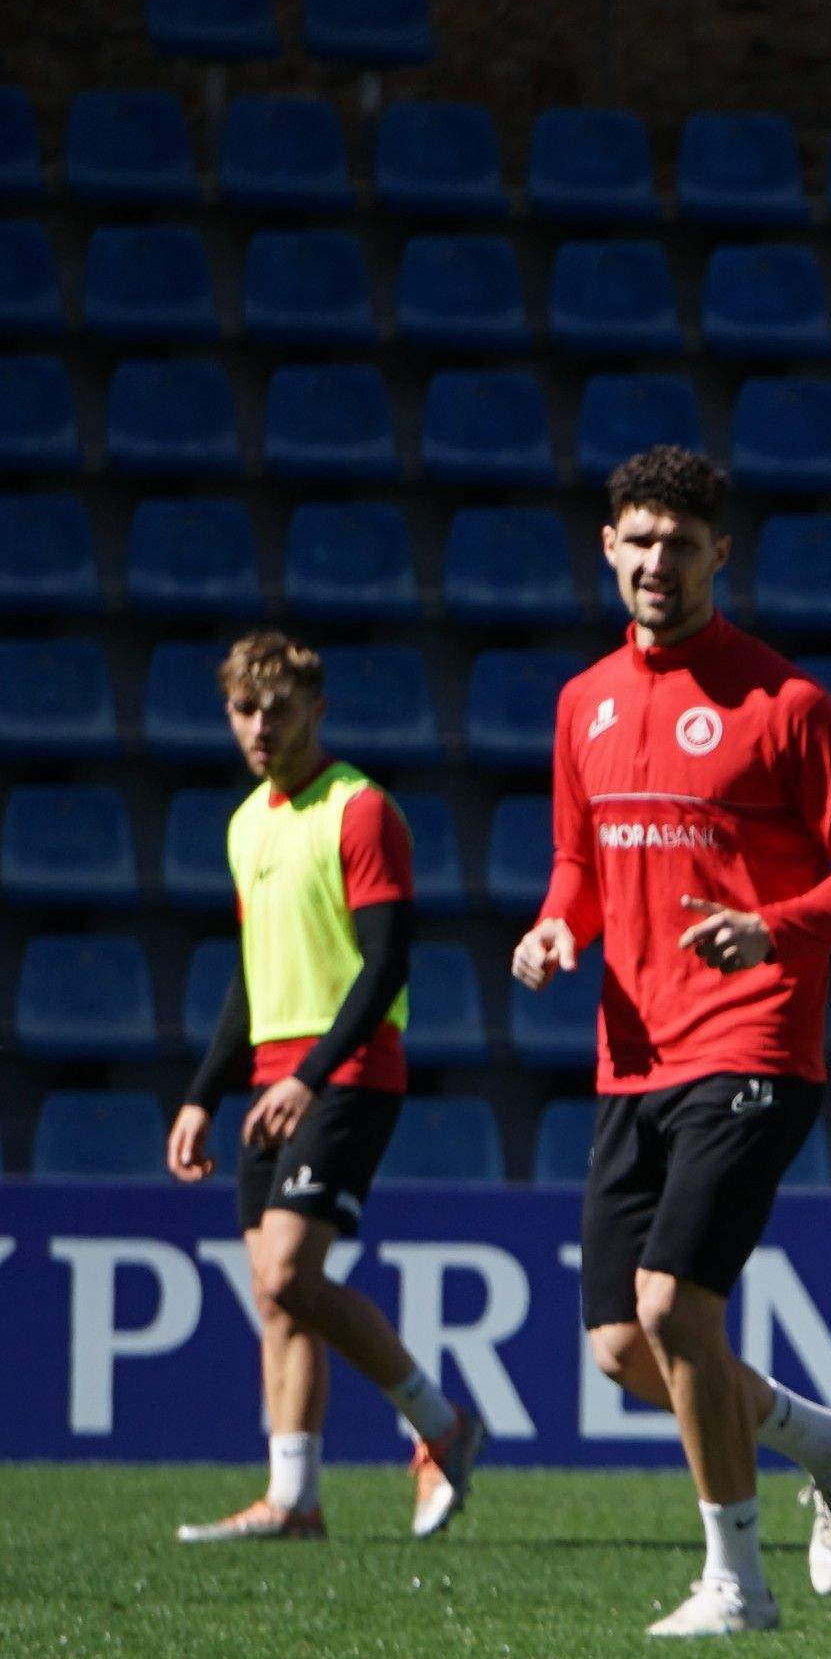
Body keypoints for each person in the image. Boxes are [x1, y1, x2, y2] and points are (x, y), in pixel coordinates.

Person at [510, 446, 831, 1638]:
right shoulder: (582, 702)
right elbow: (580, 862)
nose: (656, 563)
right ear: (606, 547)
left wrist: (774, 929)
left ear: (718, 554)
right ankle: (829, 1443)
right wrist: (552, 928)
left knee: (678, 1307)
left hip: (753, 1042)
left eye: (680, 543)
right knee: (620, 1347)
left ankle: (736, 1581)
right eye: (637, 540)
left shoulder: (784, 703)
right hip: (631, 1051)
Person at [168, 631, 486, 1542]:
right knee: (278, 1296)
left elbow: (384, 966)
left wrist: (310, 1078)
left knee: (287, 1272)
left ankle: (441, 1426)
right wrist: (202, 1093)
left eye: (279, 706)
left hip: (346, 1073)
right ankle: (294, 1498)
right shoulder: (246, 824)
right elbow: (251, 980)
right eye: (244, 708)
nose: (260, 725)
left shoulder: (361, 810)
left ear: (317, 710)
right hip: (276, 1080)